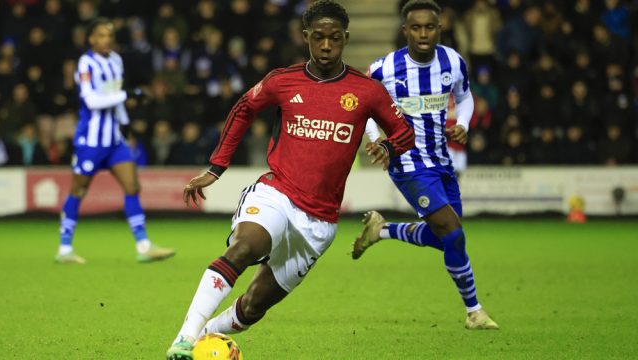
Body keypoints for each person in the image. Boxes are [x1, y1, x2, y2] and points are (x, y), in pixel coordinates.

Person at [166, 1, 415, 358]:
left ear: (345, 38)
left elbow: (404, 132)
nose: (326, 46)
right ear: (305, 38)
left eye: (334, 38)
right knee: (244, 248)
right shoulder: (283, 81)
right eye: (318, 38)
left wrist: (391, 148)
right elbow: (243, 108)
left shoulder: (366, 91)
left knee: (253, 307)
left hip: (319, 223)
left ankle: (202, 336)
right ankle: (185, 339)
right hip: (276, 194)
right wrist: (216, 168)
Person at [356, 0, 498, 330]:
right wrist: (376, 138)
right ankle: (474, 311)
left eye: (429, 27)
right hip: (406, 162)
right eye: (416, 27)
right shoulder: (383, 68)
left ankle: (384, 230)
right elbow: (364, 107)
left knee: (446, 236)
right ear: (405, 30)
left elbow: (464, 96)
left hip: (441, 160)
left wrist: (463, 121)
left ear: (439, 28)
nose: (423, 33)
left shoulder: (453, 61)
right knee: (453, 231)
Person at [55, 18, 175, 264]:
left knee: (132, 186)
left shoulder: (116, 60)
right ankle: (64, 248)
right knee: (78, 190)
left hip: (114, 140)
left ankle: (143, 245)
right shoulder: (86, 63)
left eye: (109, 35)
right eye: (100, 35)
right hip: (90, 141)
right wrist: (127, 94)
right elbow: (92, 101)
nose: (106, 39)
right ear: (90, 39)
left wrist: (125, 121)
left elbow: (115, 98)